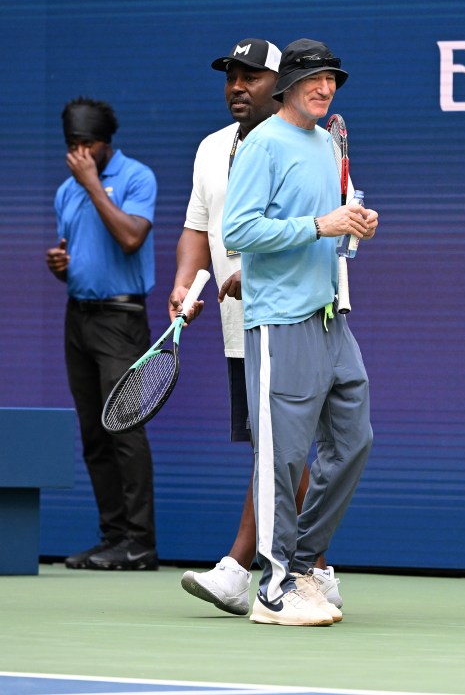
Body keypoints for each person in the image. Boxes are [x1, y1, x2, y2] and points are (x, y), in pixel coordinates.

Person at [169, 39, 342, 617]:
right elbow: (200, 228)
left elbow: (325, 223)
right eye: (230, 77)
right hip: (237, 320)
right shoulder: (211, 149)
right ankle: (299, 568)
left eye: (251, 76)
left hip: (294, 311)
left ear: (282, 83)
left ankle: (256, 568)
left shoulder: (313, 142)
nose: (237, 86)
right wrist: (184, 282)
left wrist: (257, 268)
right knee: (274, 447)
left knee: (281, 448)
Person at [222, 38, 378, 627]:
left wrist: (353, 222)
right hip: (280, 321)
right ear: (286, 84)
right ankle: (273, 588)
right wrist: (319, 224)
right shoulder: (262, 144)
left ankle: (301, 561)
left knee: (354, 438)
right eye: (314, 80)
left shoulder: (324, 142)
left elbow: (330, 223)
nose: (325, 88)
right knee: (283, 458)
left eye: (332, 79)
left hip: (331, 317)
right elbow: (239, 231)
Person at [45, 98, 159, 571]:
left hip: (121, 320)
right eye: (72, 146)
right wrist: (61, 267)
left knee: (125, 431)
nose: (79, 155)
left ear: (105, 143)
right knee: (94, 433)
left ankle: (140, 543)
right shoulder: (64, 192)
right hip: (80, 318)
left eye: (87, 145)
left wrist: (93, 185)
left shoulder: (137, 177)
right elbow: (79, 253)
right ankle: (113, 538)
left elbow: (132, 237)